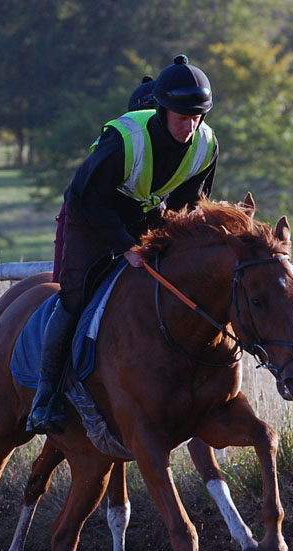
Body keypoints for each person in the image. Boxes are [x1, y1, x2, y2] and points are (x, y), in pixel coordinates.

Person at [28, 54, 218, 435]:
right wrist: (126, 246)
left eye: (197, 117)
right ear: (161, 110)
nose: (190, 126)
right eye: (182, 117)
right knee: (75, 298)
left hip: (145, 213)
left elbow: (188, 203)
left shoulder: (206, 144)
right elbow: (90, 199)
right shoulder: (125, 140)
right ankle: (45, 397)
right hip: (89, 215)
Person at [50, 75, 157, 281]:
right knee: (67, 284)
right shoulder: (121, 143)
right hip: (86, 213)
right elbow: (95, 201)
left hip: (137, 215)